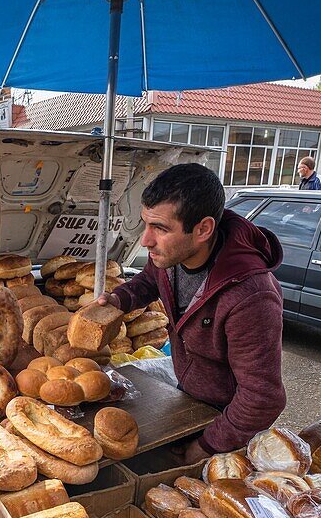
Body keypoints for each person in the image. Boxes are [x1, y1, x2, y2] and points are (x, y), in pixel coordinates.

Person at [98, 163, 286, 464]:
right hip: (188, 399)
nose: (145, 240)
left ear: (203, 229)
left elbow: (262, 398)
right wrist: (118, 299)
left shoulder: (251, 297)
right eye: (146, 224)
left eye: (160, 228)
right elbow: (150, 280)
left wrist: (207, 445)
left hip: (229, 427)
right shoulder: (172, 256)